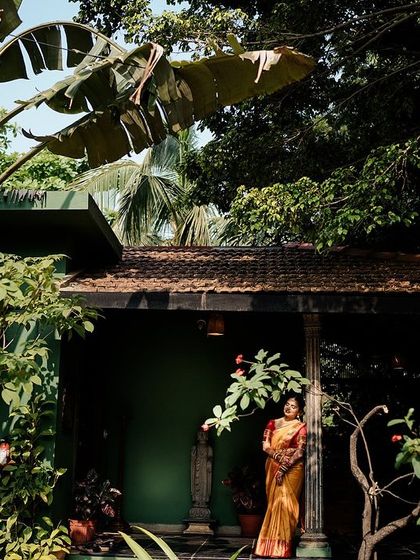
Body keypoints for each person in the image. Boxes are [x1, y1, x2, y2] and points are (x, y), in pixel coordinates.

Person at [254, 395, 307, 558]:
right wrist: (278, 458)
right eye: (287, 404)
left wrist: (284, 467)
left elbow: (300, 451)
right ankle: (267, 547)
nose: (289, 408)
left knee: (286, 506)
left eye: (293, 406)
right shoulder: (273, 423)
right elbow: (265, 446)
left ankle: (282, 548)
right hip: (273, 465)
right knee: (274, 505)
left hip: (293, 468)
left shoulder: (301, 427)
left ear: (299, 411)